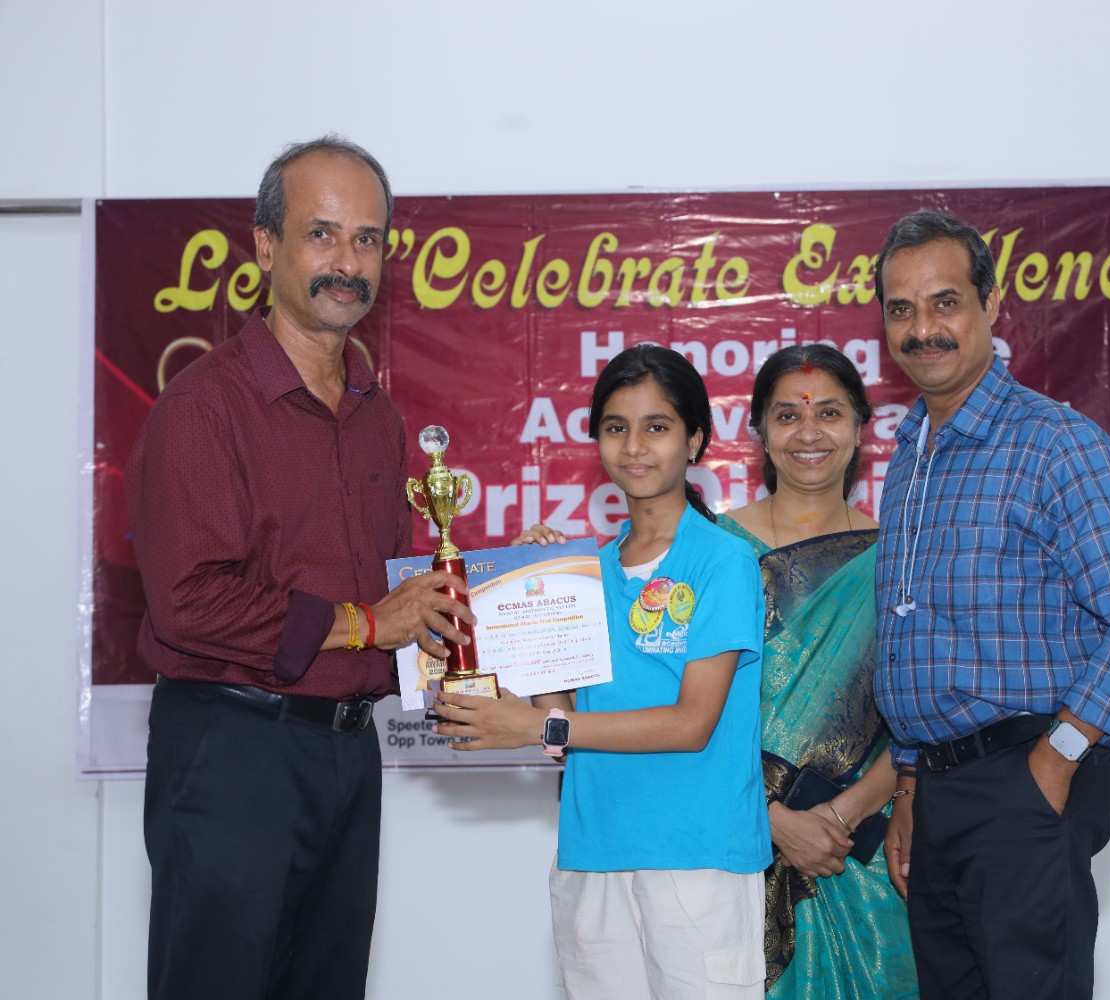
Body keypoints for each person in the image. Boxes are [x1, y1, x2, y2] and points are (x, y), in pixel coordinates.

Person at [128, 136, 474, 1000]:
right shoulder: (204, 407)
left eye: (367, 239)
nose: (347, 263)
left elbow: (396, 598)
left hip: (348, 755)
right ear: (265, 246)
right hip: (233, 751)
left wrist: (475, 613)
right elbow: (187, 603)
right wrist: (367, 622)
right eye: (322, 234)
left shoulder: (377, 417)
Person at [872, 210, 1110, 1000]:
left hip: (1024, 779)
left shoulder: (1052, 442)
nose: (922, 329)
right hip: (935, 793)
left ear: (990, 304)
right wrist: (909, 784)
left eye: (945, 302)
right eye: (902, 309)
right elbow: (918, 643)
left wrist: (1057, 758)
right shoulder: (910, 457)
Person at [433, 345, 771, 1000]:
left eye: (657, 427)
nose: (634, 447)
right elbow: (561, 722)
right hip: (593, 850)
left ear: (694, 439)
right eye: (616, 427)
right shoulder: (588, 572)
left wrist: (538, 727)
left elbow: (691, 723)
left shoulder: (722, 561)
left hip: (698, 855)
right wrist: (534, 601)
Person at [716, 344, 919, 999]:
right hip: (728, 840)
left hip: (856, 850)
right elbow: (676, 710)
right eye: (787, 416)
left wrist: (838, 816)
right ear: (759, 432)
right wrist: (773, 821)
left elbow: (917, 716)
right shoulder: (711, 553)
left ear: (861, 428)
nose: (809, 433)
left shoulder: (897, 560)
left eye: (829, 413)